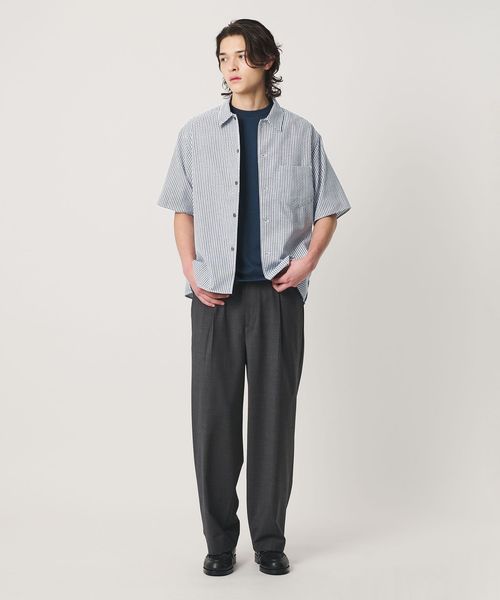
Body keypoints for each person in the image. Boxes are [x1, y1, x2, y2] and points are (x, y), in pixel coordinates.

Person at [157, 19, 351, 576]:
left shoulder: (302, 135)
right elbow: (182, 209)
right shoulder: (196, 134)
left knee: (273, 421)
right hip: (213, 298)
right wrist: (191, 271)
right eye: (223, 58)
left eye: (241, 56)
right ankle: (219, 542)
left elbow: (329, 207)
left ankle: (269, 540)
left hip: (277, 297)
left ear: (266, 60)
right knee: (213, 422)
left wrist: (307, 262)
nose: (231, 67)